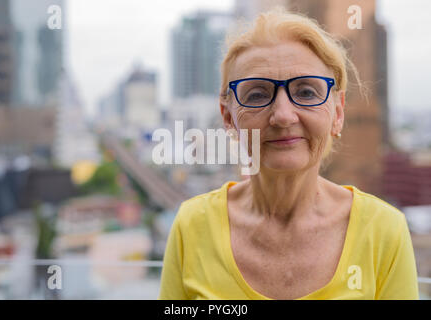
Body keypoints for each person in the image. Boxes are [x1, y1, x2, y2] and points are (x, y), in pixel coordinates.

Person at [158, 7, 419, 300]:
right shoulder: (193, 225)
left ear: (338, 112)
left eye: (306, 92)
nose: (283, 115)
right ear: (228, 117)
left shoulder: (384, 231)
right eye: (257, 94)